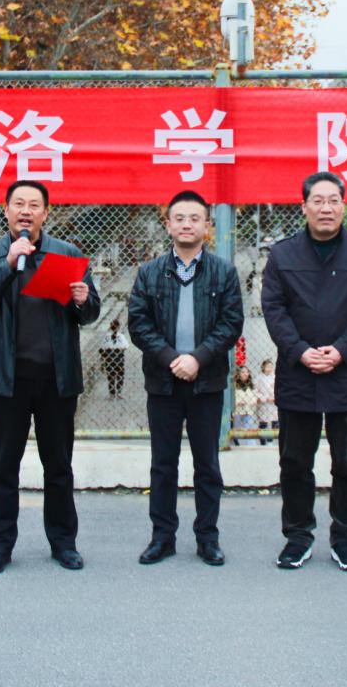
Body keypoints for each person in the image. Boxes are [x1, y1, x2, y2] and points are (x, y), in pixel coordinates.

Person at [0, 180, 100, 575]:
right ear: (6, 210)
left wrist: (83, 300)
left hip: (56, 380)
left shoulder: (67, 254)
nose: (26, 211)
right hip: (7, 381)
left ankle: (64, 544)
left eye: (34, 205)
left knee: (58, 466)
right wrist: (8, 265)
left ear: (46, 213)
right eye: (19, 204)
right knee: (2, 468)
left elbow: (90, 312)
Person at [261, 171, 347, 572]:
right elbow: (274, 310)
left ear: (344, 206)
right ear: (304, 207)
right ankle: (297, 537)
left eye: (334, 200)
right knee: (295, 462)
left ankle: (345, 537)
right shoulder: (283, 255)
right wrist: (300, 351)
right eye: (318, 201)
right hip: (298, 374)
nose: (326, 208)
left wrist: (342, 351)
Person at [127, 190, 243, 567]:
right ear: (168, 225)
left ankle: (208, 538)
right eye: (179, 218)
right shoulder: (149, 272)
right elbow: (139, 324)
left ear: (207, 226)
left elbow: (231, 324)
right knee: (163, 464)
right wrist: (172, 359)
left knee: (207, 464)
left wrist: (197, 359)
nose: (187, 224)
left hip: (206, 383)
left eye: (195, 218)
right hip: (163, 382)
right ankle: (162, 537)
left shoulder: (224, 272)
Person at [99, 318, 127, 399]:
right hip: (118, 358)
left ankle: (112, 393)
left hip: (109, 358)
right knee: (120, 376)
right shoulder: (121, 336)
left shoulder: (106, 337)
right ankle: (118, 392)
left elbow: (102, 349)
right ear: (118, 327)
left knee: (111, 376)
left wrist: (102, 362)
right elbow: (125, 346)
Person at [233, 366, 260, 442]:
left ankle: (250, 444)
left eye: (247, 372)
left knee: (248, 429)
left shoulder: (251, 385)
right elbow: (231, 398)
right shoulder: (234, 385)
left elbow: (255, 396)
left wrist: (253, 401)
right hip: (237, 410)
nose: (246, 374)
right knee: (237, 428)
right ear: (238, 374)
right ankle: (236, 442)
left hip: (249, 410)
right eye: (243, 372)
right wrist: (237, 402)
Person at [255, 358, 278, 430]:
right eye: (267, 367)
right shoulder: (258, 378)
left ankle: (274, 435)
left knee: (275, 422)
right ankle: (263, 436)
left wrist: (275, 397)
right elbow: (255, 391)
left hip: (273, 402)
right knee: (263, 423)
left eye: (271, 367)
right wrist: (264, 398)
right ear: (263, 367)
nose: (269, 369)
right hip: (263, 403)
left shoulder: (275, 377)